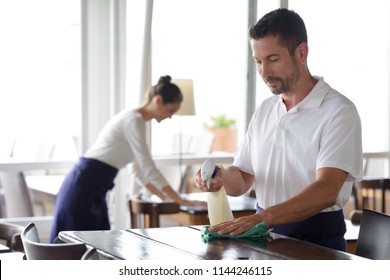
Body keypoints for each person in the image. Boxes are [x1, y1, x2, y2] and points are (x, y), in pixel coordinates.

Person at [195, 8, 362, 251]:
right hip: (262, 239)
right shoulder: (265, 110)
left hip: (318, 245)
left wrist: (263, 218)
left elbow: (327, 190)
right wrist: (220, 177)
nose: (264, 72)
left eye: (273, 59)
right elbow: (242, 177)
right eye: (258, 62)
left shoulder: (339, 111)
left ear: (301, 52)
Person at [50, 75, 206, 242]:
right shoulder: (134, 121)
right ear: (158, 100)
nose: (170, 116)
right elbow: (148, 167)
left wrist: (166, 198)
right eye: (171, 111)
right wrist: (180, 200)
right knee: (75, 248)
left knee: (95, 244)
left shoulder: (136, 121)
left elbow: (137, 170)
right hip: (83, 186)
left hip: (93, 187)